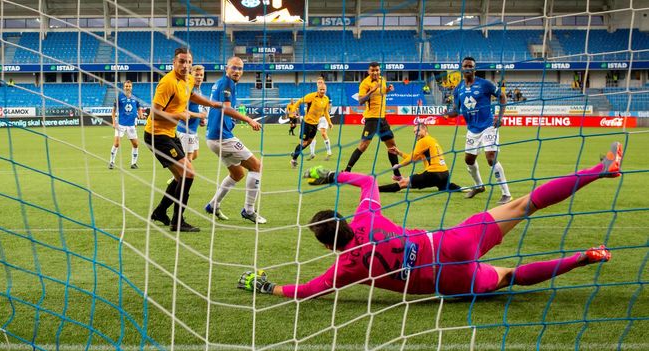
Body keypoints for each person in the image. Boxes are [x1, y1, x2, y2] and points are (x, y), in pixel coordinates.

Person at [238, 142, 623, 298]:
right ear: (344, 220)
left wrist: (267, 286)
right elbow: (369, 179)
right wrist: (330, 176)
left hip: (446, 281)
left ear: (327, 246)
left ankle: (581, 259)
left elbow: (308, 290)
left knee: (510, 276)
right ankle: (600, 169)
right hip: (451, 243)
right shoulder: (366, 215)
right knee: (525, 204)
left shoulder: (345, 268)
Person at [146, 48, 260, 233]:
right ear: (174, 62)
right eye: (182, 61)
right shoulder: (167, 83)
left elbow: (192, 96)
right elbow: (154, 114)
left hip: (170, 133)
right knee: (188, 173)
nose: (185, 65)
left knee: (179, 177)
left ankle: (160, 212)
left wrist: (212, 104)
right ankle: (177, 221)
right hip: (156, 135)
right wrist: (179, 115)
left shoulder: (189, 80)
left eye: (188, 62)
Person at [205, 56, 265, 224]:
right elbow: (226, 108)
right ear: (226, 68)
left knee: (237, 174)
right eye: (234, 68)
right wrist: (249, 120)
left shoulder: (220, 83)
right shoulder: (227, 83)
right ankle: (249, 210)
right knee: (256, 166)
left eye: (240, 68)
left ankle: (213, 205)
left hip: (213, 138)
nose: (237, 71)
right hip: (222, 138)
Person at [446, 56, 512, 205]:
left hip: (489, 126)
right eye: (465, 66)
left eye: (470, 66)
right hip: (472, 130)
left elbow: (502, 97)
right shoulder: (458, 89)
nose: (468, 68)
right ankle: (479, 186)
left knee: (490, 158)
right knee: (469, 160)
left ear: (474, 69)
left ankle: (506, 194)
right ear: (462, 68)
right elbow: (456, 110)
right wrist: (447, 114)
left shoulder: (485, 84)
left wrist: (500, 117)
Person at [344, 62, 402, 181]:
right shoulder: (365, 83)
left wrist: (387, 90)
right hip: (371, 119)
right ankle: (347, 170)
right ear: (368, 71)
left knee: (392, 146)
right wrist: (371, 91)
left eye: (377, 70)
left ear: (379, 71)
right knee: (363, 146)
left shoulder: (382, 79)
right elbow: (360, 101)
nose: (375, 72)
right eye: (372, 70)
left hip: (382, 119)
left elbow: (381, 93)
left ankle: (397, 175)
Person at [379, 122, 464, 193]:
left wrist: (399, 165)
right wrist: (399, 153)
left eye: (418, 130)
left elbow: (412, 158)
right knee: (445, 187)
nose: (416, 133)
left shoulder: (423, 141)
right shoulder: (433, 140)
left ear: (425, 129)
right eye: (414, 132)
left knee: (402, 183)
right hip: (444, 174)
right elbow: (416, 159)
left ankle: (376, 189)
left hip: (433, 173)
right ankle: (464, 188)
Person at [289, 81, 333, 167]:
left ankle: (295, 152)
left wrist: (330, 122)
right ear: (318, 89)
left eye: (324, 90)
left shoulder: (326, 99)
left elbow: (326, 112)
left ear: (326, 90)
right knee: (304, 143)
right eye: (321, 89)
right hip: (306, 123)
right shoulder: (311, 96)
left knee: (309, 142)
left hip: (315, 124)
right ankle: (294, 159)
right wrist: (293, 109)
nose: (322, 91)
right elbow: (299, 101)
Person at [109, 80, 144, 170]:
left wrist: (140, 115)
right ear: (123, 87)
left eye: (129, 86)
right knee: (116, 144)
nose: (128, 88)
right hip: (120, 124)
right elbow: (113, 110)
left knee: (135, 144)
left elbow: (139, 108)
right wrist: (113, 122)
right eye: (126, 86)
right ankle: (111, 162)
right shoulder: (119, 97)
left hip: (131, 125)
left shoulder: (135, 97)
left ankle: (133, 163)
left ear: (131, 87)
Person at [176, 65, 207, 162]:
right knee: (188, 160)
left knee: (194, 155)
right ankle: (179, 176)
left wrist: (200, 120)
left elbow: (195, 108)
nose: (199, 77)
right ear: (191, 75)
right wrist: (200, 115)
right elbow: (181, 110)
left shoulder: (198, 90)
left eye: (201, 75)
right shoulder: (188, 89)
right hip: (185, 130)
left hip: (193, 129)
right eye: (196, 75)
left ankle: (178, 174)